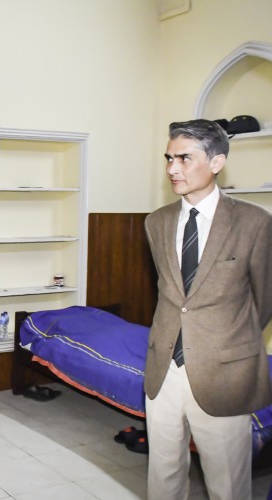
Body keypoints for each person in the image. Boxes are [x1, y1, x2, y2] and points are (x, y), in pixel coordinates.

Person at [144, 119, 272, 499]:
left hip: (223, 373)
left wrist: (226, 343)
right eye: (169, 158)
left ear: (216, 162)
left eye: (184, 158)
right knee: (163, 476)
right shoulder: (156, 222)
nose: (172, 168)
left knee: (227, 484)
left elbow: (263, 300)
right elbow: (170, 293)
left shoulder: (254, 222)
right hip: (164, 370)